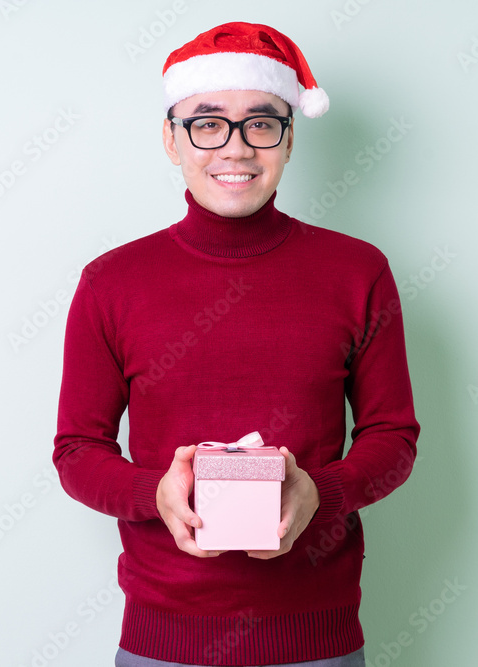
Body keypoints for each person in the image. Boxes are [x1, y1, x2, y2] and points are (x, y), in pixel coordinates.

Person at [53, 21, 420, 667]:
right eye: (206, 122)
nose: (236, 147)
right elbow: (77, 450)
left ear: (289, 135)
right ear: (171, 138)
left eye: (261, 122)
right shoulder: (111, 281)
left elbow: (393, 437)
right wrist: (154, 494)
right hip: (162, 640)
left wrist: (319, 492)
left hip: (318, 641)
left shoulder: (357, 271)